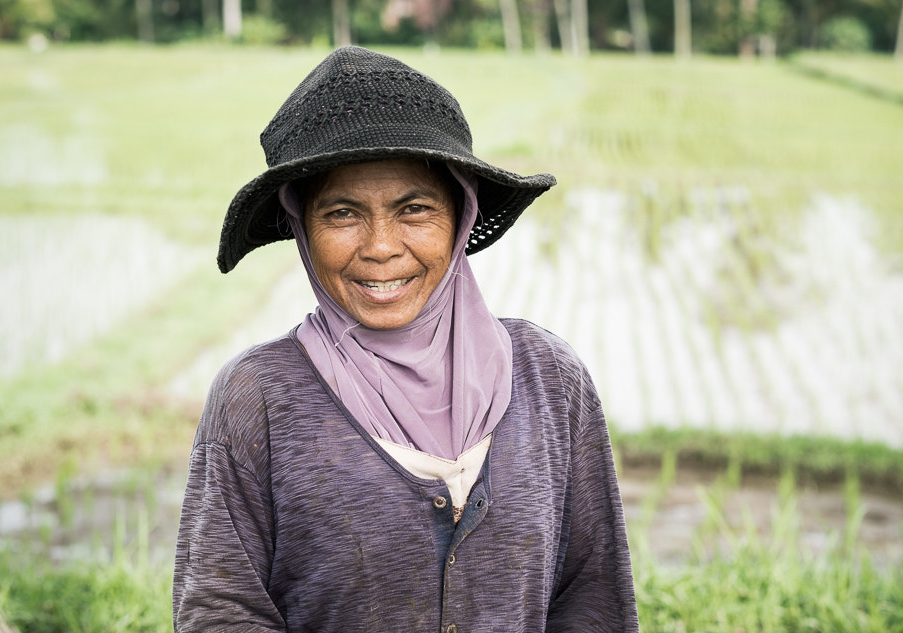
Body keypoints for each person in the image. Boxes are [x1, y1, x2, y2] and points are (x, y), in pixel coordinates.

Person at [173, 45, 639, 632]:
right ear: (303, 228)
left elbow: (593, 599)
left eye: (414, 209)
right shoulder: (259, 398)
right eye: (342, 213)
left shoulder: (550, 379)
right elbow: (222, 610)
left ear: (460, 215)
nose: (381, 246)